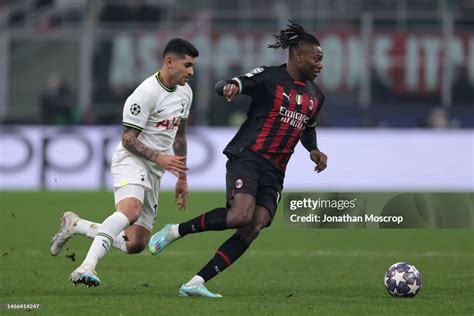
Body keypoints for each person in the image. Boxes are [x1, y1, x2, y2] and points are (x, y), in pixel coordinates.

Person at [148, 21, 328, 298]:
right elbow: (232, 83)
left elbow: (307, 127)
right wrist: (230, 87)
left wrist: (313, 149)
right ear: (298, 56)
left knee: (254, 225)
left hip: (276, 170)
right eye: (317, 58)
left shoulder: (316, 96)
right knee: (240, 215)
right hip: (249, 155)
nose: (320, 64)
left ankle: (196, 282)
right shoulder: (270, 78)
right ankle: (175, 230)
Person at [49, 38, 199, 287]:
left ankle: (76, 225)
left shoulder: (186, 93)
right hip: (132, 159)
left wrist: (182, 177)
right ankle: (87, 267)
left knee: (136, 243)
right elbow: (128, 139)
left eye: (193, 66)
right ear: (169, 62)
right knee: (130, 211)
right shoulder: (145, 94)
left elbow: (180, 134)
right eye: (187, 65)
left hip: (155, 170)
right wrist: (160, 157)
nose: (191, 72)